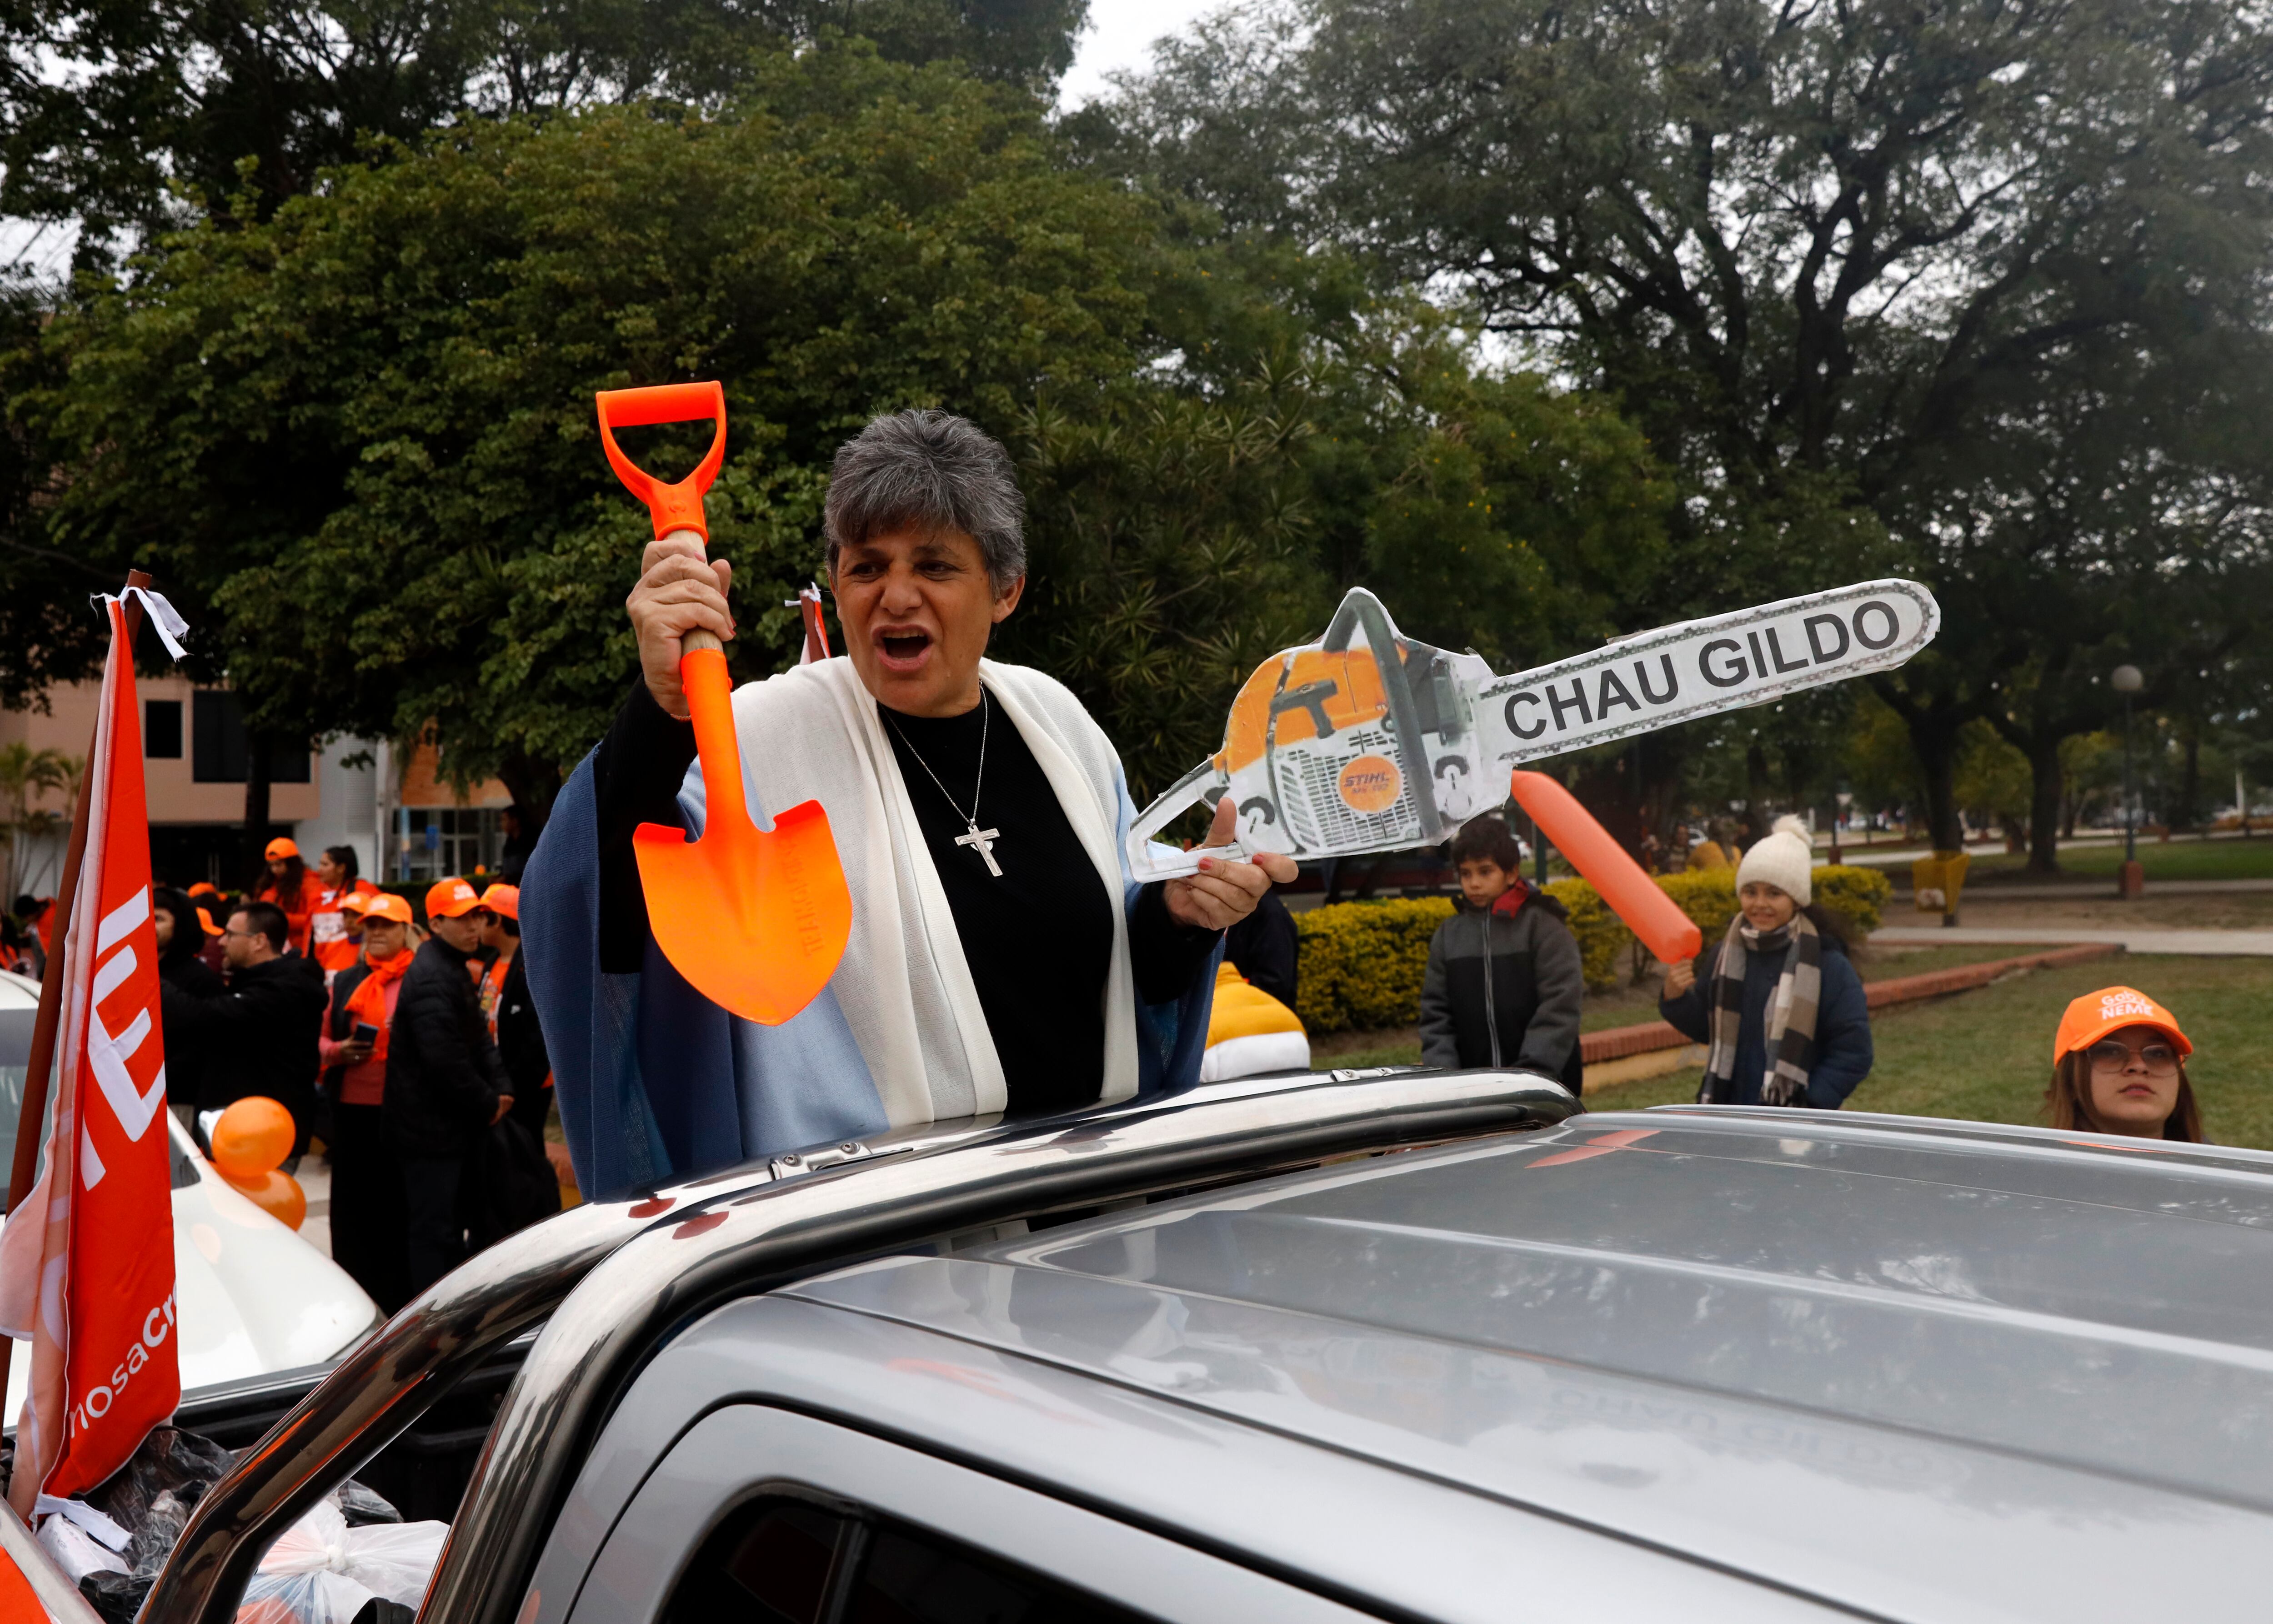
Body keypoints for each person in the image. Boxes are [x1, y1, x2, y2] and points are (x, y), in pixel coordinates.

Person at [527, 409, 1292, 1198]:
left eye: (934, 566)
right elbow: (605, 909)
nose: (896, 596)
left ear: (1006, 590)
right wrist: (661, 713)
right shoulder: (758, 740)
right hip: (870, 1240)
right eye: (866, 567)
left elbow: (1116, 969)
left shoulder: (1059, 725)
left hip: (1093, 1210)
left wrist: (1179, 915)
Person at [1658, 815, 1872, 1108]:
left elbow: (1853, 1053)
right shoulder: (1725, 955)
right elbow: (1709, 1031)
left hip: (1798, 1128)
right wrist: (1676, 997)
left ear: (1796, 899)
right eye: (1750, 892)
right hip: (1727, 1113)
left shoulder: (1828, 965)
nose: (1759, 904)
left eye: (1774, 894)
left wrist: (1806, 1104)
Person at [386, 878, 514, 1294]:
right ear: (435, 923)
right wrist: (488, 1101)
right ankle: (428, 1328)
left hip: (450, 1128)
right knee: (433, 1233)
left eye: (478, 915)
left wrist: (500, 1089)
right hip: (431, 1134)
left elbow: (477, 1038)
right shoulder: (432, 975)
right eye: (462, 919)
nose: (474, 926)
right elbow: (444, 1060)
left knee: (450, 1229)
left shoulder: (450, 966)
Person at [1418, 815, 1585, 1091]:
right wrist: (1447, 1080)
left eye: (1485, 872)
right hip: (1469, 1092)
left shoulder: (1543, 926)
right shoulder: (1449, 936)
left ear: (1511, 873)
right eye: (1466, 873)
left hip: (1547, 1085)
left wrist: (1532, 1076)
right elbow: (1436, 1015)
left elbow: (1561, 1005)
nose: (1474, 884)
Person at [159, 899, 329, 1151]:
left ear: (258, 941)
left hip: (263, 1134)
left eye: (230, 934)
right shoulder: (255, 983)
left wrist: (151, 978)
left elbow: (203, 1017)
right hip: (240, 1128)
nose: (221, 942)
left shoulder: (284, 992)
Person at [319, 891, 416, 1312]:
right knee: (352, 1209)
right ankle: (355, 1292)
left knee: (397, 1206)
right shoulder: (345, 980)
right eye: (371, 925)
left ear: (406, 931)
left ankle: (399, 1296)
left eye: (386, 926)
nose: (376, 933)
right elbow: (319, 1039)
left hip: (404, 1110)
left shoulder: (421, 978)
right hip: (352, 1110)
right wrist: (337, 1051)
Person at [2047, 986, 2205, 1142]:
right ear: (2070, 1079)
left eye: (2158, 1053)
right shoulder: (2035, 1167)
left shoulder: (2220, 1166)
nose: (2139, 1066)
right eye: (2111, 1051)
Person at [151, 886, 225, 1129]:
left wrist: (160, 1080)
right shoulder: (132, 970)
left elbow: (203, 1043)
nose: (148, 925)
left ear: (180, 925)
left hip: (178, 1101)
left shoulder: (201, 978)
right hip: (130, 1098)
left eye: (158, 918)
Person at [1224, 887, 1299, 1012]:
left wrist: (1227, 996)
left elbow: (1274, 981)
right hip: (1238, 1014)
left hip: (1262, 1020)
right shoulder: (1237, 909)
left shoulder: (1270, 915)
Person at [309, 845, 379, 976]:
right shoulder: (316, 894)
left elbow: (385, 913)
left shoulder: (362, 888)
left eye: (325, 864)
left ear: (341, 868)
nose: (320, 869)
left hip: (354, 959)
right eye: (345, 915)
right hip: (323, 964)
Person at [252, 838, 326, 957]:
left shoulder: (310, 884)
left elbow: (315, 920)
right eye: (272, 865)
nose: (275, 870)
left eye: (279, 864)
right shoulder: (269, 884)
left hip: (301, 950)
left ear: (292, 863)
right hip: (277, 948)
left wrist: (280, 918)